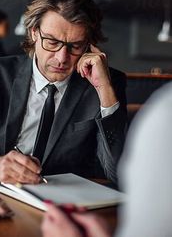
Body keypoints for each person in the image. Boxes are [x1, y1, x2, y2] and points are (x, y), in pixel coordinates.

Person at [0, 0, 127, 186]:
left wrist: (105, 91)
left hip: (68, 208)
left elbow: (118, 175)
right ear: (33, 32)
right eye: (52, 42)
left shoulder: (106, 84)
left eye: (75, 45)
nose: (62, 57)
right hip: (3, 200)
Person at [41, 82, 172, 237]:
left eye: (73, 54)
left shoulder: (165, 112)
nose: (62, 58)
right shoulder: (5, 72)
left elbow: (115, 174)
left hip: (70, 206)